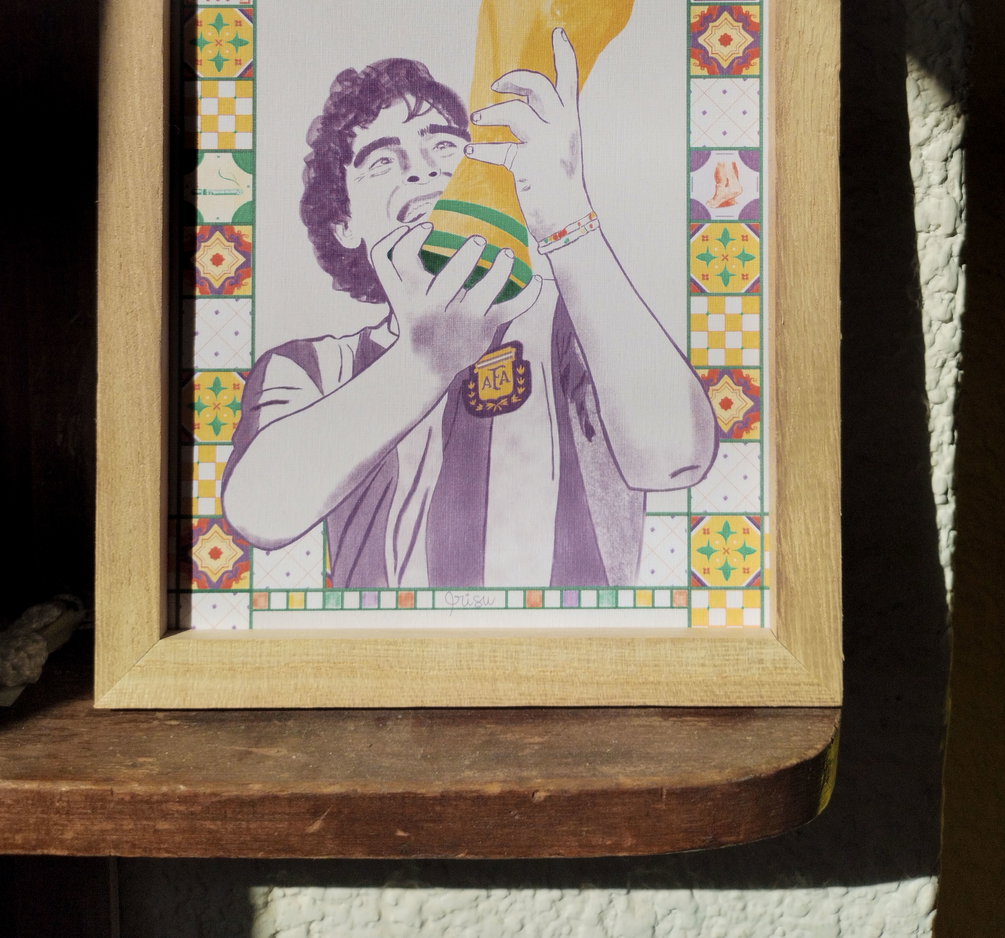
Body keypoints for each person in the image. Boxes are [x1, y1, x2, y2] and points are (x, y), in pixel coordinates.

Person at [222, 33, 717, 590]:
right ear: (345, 224)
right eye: (381, 160)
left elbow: (676, 459)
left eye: (444, 146)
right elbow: (260, 513)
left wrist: (566, 217)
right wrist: (424, 362)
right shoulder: (309, 367)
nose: (422, 171)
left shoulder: (578, 317)